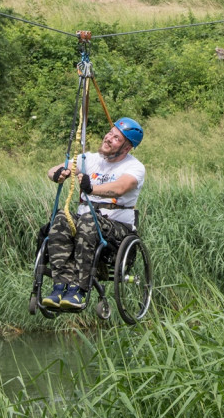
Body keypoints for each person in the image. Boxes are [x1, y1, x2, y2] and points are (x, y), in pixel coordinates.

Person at [42, 118, 146, 311]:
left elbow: (121, 187)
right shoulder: (88, 159)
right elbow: (52, 170)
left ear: (127, 147)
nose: (108, 138)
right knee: (61, 219)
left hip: (116, 227)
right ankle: (59, 287)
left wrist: (92, 188)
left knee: (89, 221)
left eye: (116, 138)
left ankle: (79, 290)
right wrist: (58, 173)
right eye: (110, 133)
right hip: (86, 220)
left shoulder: (135, 167)